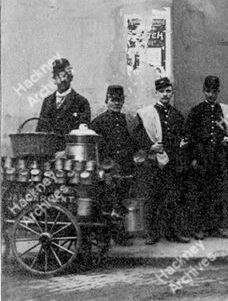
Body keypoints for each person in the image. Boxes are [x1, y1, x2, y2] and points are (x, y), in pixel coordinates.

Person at [133, 77, 190, 244]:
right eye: (162, 91)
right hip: (153, 162)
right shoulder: (146, 114)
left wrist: (183, 142)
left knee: (172, 198)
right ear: (156, 93)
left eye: (168, 91)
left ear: (172, 93)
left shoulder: (176, 115)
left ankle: (173, 232)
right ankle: (153, 234)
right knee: (153, 198)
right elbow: (138, 136)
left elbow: (183, 135)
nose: (165, 95)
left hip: (171, 162)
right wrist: (150, 147)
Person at [185, 75, 228, 239]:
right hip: (202, 159)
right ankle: (200, 228)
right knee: (201, 194)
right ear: (203, 91)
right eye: (207, 91)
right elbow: (189, 137)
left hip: (219, 159)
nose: (210, 95)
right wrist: (193, 158)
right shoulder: (197, 111)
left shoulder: (225, 110)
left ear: (218, 92)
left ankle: (217, 227)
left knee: (218, 194)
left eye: (214, 92)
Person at [91, 85, 135, 236]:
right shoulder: (98, 122)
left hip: (123, 168)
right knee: (107, 203)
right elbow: (94, 148)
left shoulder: (125, 120)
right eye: (113, 100)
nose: (116, 103)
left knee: (122, 201)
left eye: (119, 100)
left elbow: (130, 143)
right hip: (106, 170)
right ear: (106, 100)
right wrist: (103, 167)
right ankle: (104, 235)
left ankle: (119, 234)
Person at [37, 58, 91, 136]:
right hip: (49, 146)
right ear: (54, 79)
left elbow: (83, 134)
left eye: (65, 76)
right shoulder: (47, 101)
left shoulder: (81, 102)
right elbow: (40, 129)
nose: (62, 80)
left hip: (70, 146)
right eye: (58, 77)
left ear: (71, 78)